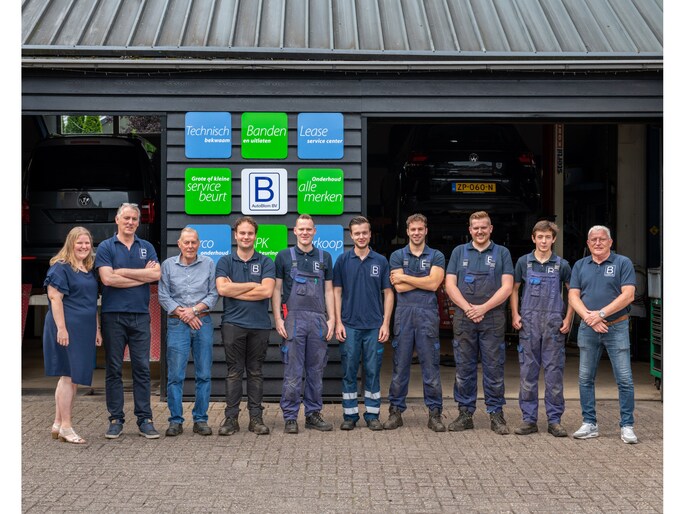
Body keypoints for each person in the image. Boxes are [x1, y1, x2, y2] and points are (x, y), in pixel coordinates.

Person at [444, 211, 514, 435]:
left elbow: (507, 286)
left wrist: (483, 308)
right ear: (470, 230)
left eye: (484, 227)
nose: (480, 231)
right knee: (464, 368)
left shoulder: (502, 253)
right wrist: (468, 309)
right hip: (464, 318)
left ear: (491, 228)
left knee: (494, 368)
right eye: (476, 228)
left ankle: (496, 414)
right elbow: (449, 285)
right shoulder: (459, 252)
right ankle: (465, 414)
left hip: (492, 318)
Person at [96, 203, 161, 439]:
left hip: (140, 316)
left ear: (138, 222)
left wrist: (122, 271)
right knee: (113, 368)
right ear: (117, 220)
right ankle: (116, 419)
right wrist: (141, 276)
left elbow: (156, 274)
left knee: (142, 368)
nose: (130, 222)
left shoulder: (147, 247)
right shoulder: (106, 247)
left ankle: (145, 419)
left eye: (134, 219)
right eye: (126, 218)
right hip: (113, 315)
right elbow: (108, 279)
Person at [568, 225, 638, 444]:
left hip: (616, 327)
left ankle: (627, 425)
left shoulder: (623, 263)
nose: (597, 243)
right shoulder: (580, 265)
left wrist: (600, 314)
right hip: (588, 328)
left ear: (610, 242)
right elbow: (573, 296)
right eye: (593, 240)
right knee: (585, 378)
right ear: (588, 244)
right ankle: (589, 423)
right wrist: (589, 318)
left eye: (602, 239)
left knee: (624, 379)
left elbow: (628, 295)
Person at [383, 213, 446, 432]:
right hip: (404, 315)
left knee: (431, 366)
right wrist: (423, 280)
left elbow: (434, 284)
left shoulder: (436, 255)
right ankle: (395, 412)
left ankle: (435, 413)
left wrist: (405, 277)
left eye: (420, 229)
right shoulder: (397, 255)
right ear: (407, 231)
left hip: (427, 315)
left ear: (426, 231)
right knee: (400, 366)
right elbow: (399, 288)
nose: (416, 233)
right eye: (413, 229)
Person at [272, 215, 336, 434]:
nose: (305, 232)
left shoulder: (325, 257)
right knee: (293, 371)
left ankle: (313, 414)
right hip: (293, 320)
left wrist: (332, 318)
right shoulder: (284, 256)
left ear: (314, 231)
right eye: (302, 229)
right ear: (295, 231)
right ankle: (290, 417)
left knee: (315, 371)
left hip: (318, 320)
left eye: (309, 229)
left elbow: (329, 291)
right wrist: (278, 318)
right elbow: (276, 289)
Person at [510, 220, 573, 437]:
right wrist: (515, 314)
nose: (543, 241)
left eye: (547, 237)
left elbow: (573, 292)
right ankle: (529, 420)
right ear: (533, 238)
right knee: (528, 372)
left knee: (554, 374)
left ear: (553, 239)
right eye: (540, 237)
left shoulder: (562, 265)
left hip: (553, 325)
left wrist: (568, 318)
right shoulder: (523, 262)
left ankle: (554, 420)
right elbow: (514, 289)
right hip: (529, 323)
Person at [215, 216, 276, 436]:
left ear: (255, 236)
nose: (246, 237)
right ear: (236, 235)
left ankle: (256, 419)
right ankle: (231, 419)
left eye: (250, 233)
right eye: (242, 233)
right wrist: (252, 285)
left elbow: (266, 291)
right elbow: (222, 289)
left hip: (259, 326)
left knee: (255, 372)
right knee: (234, 373)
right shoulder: (225, 261)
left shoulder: (266, 262)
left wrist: (236, 289)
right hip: (233, 324)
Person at [333, 216, 394, 431]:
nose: (361, 236)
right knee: (349, 371)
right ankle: (350, 415)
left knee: (373, 371)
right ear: (351, 235)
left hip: (374, 326)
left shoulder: (381, 261)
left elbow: (388, 293)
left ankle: (372, 414)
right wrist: (338, 322)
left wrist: (386, 323)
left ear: (370, 234)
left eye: (364, 232)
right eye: (357, 233)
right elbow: (336, 292)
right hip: (349, 325)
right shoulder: (342, 261)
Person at [43, 227, 102, 444]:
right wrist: (61, 328)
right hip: (67, 327)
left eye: (87, 243)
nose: (84, 247)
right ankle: (67, 427)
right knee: (69, 376)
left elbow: (91, 302)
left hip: (84, 328)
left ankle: (58, 423)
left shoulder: (88, 268)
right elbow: (55, 298)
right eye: (80, 243)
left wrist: (96, 329)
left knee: (70, 376)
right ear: (71, 244)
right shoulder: (61, 268)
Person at [158, 227, 219, 437]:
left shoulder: (209, 263)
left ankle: (200, 419)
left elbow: (213, 294)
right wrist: (184, 314)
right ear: (179, 244)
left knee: (204, 374)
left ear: (199, 244)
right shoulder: (168, 265)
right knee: (175, 375)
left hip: (202, 322)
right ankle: (175, 420)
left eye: (194, 242)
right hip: (177, 324)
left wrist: (193, 311)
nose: (190, 246)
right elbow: (163, 295)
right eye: (186, 242)